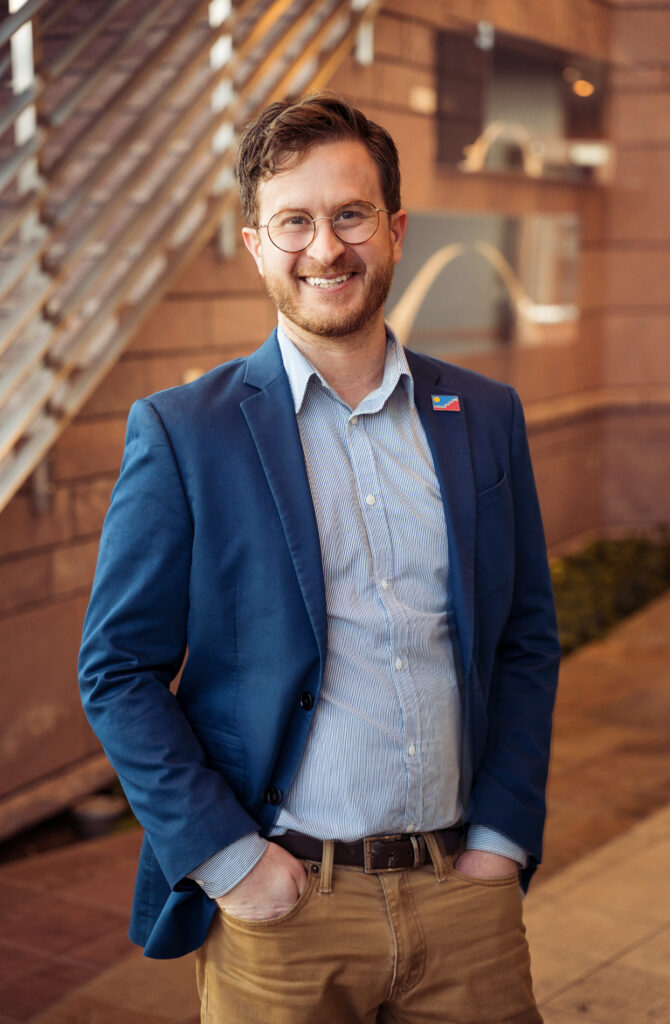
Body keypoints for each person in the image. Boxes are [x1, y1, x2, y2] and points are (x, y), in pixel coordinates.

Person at [79, 94, 560, 1023]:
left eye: (350, 215)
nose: (326, 248)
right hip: (285, 913)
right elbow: (117, 669)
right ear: (255, 245)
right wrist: (230, 862)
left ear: (395, 230)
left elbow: (524, 639)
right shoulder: (185, 433)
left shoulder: (484, 415)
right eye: (293, 222)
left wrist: (501, 839)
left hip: (464, 898)